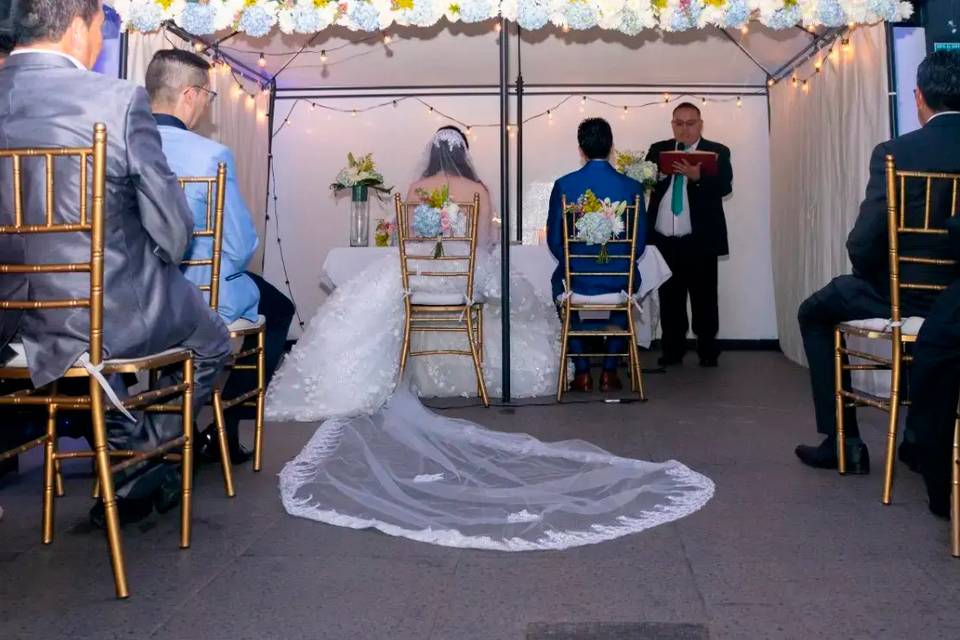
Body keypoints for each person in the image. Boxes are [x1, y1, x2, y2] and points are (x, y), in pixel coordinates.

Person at [0, 0, 231, 526]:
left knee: (85, 353)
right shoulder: (117, 99)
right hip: (105, 312)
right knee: (214, 342)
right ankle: (146, 458)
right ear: (81, 26)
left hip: (9, 319)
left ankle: (137, 455)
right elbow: (174, 233)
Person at [265, 126, 562, 419]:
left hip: (421, 276)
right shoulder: (478, 191)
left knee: (372, 299)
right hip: (466, 276)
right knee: (508, 300)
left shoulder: (416, 188)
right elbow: (484, 242)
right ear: (464, 155)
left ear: (431, 154)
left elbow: (405, 239)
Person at [795, 50, 960, 474]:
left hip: (901, 295)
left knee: (814, 312)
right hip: (955, 301)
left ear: (919, 97)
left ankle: (842, 440)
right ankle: (918, 436)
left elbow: (866, 241)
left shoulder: (895, 152)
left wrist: (874, 280)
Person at [145, 48, 294, 465]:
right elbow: (239, 244)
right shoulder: (210, 156)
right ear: (190, 94)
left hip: (130, 296)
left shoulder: (116, 147)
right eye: (209, 96)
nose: (206, 105)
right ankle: (225, 422)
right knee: (279, 309)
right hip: (196, 294)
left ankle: (178, 414)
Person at [546, 117, 646, 392]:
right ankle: (610, 372)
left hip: (577, 279)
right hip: (618, 278)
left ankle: (582, 372)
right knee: (627, 284)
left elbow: (555, 240)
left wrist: (574, 262)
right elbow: (639, 246)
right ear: (612, 146)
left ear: (581, 149)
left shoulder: (565, 185)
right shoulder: (632, 188)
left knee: (559, 284)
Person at [644, 103, 733, 368]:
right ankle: (673, 349)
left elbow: (724, 186)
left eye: (690, 123)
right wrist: (656, 174)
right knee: (670, 298)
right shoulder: (658, 149)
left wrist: (698, 177)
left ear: (700, 124)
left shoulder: (717, 151)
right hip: (664, 238)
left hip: (700, 240)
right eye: (679, 123)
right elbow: (644, 182)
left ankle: (707, 350)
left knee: (704, 297)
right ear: (672, 125)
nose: (685, 129)